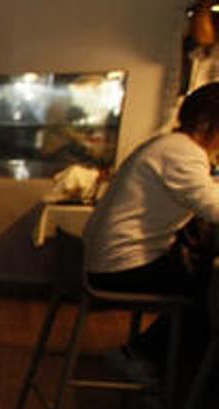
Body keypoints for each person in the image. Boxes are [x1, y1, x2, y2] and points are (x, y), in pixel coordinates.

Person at [83, 82, 219, 368]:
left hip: (108, 260)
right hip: (121, 267)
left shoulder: (169, 145)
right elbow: (212, 206)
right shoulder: (183, 152)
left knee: (205, 286)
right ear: (207, 122)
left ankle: (146, 358)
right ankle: (153, 366)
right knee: (208, 292)